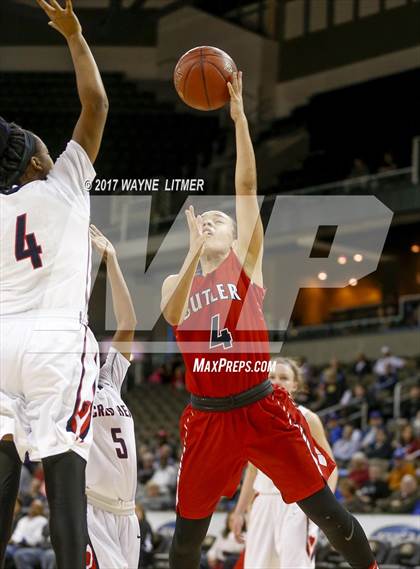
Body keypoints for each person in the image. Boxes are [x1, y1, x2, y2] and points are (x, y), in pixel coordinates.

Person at [161, 71, 378, 569]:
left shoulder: (246, 264)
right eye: (205, 220)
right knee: (187, 537)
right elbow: (172, 316)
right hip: (208, 416)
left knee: (324, 509)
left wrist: (238, 119)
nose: (212, 222)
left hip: (262, 408)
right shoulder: (178, 281)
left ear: (236, 238)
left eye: (222, 221)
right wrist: (193, 254)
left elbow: (246, 185)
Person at [0, 2, 108, 568]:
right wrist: (75, 36)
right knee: (66, 482)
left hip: (0, 345)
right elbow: (95, 104)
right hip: (54, 345)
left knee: (1, 486)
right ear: (37, 162)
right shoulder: (64, 180)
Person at [231, 358, 338, 569]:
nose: (277, 382)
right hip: (262, 501)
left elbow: (331, 467)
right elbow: (252, 470)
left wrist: (327, 508)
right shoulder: (254, 418)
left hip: (299, 503)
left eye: (284, 377)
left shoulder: (308, 417)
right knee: (256, 565)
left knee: (294, 565)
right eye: (271, 377)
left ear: (295, 385)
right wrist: (239, 511)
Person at [85, 226, 140, 569]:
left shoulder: (108, 383)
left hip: (128, 512)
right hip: (93, 509)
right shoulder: (64, 393)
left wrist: (112, 260)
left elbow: (128, 322)